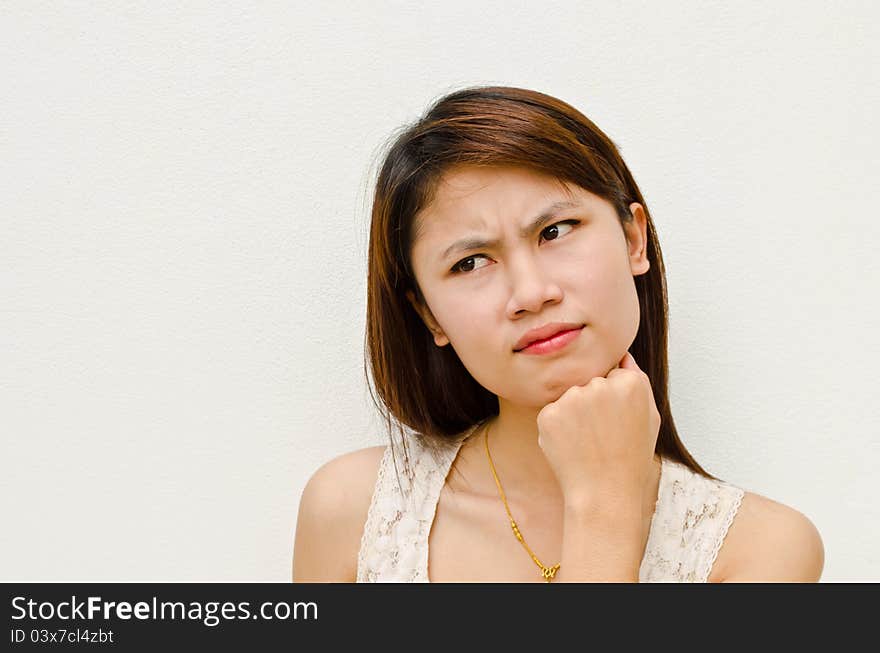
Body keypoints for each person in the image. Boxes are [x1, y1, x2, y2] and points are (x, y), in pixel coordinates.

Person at [291, 85, 824, 582]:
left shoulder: (762, 550)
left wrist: (604, 505)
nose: (530, 292)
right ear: (429, 315)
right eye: (471, 262)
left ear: (634, 239)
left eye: (555, 231)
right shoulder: (352, 511)